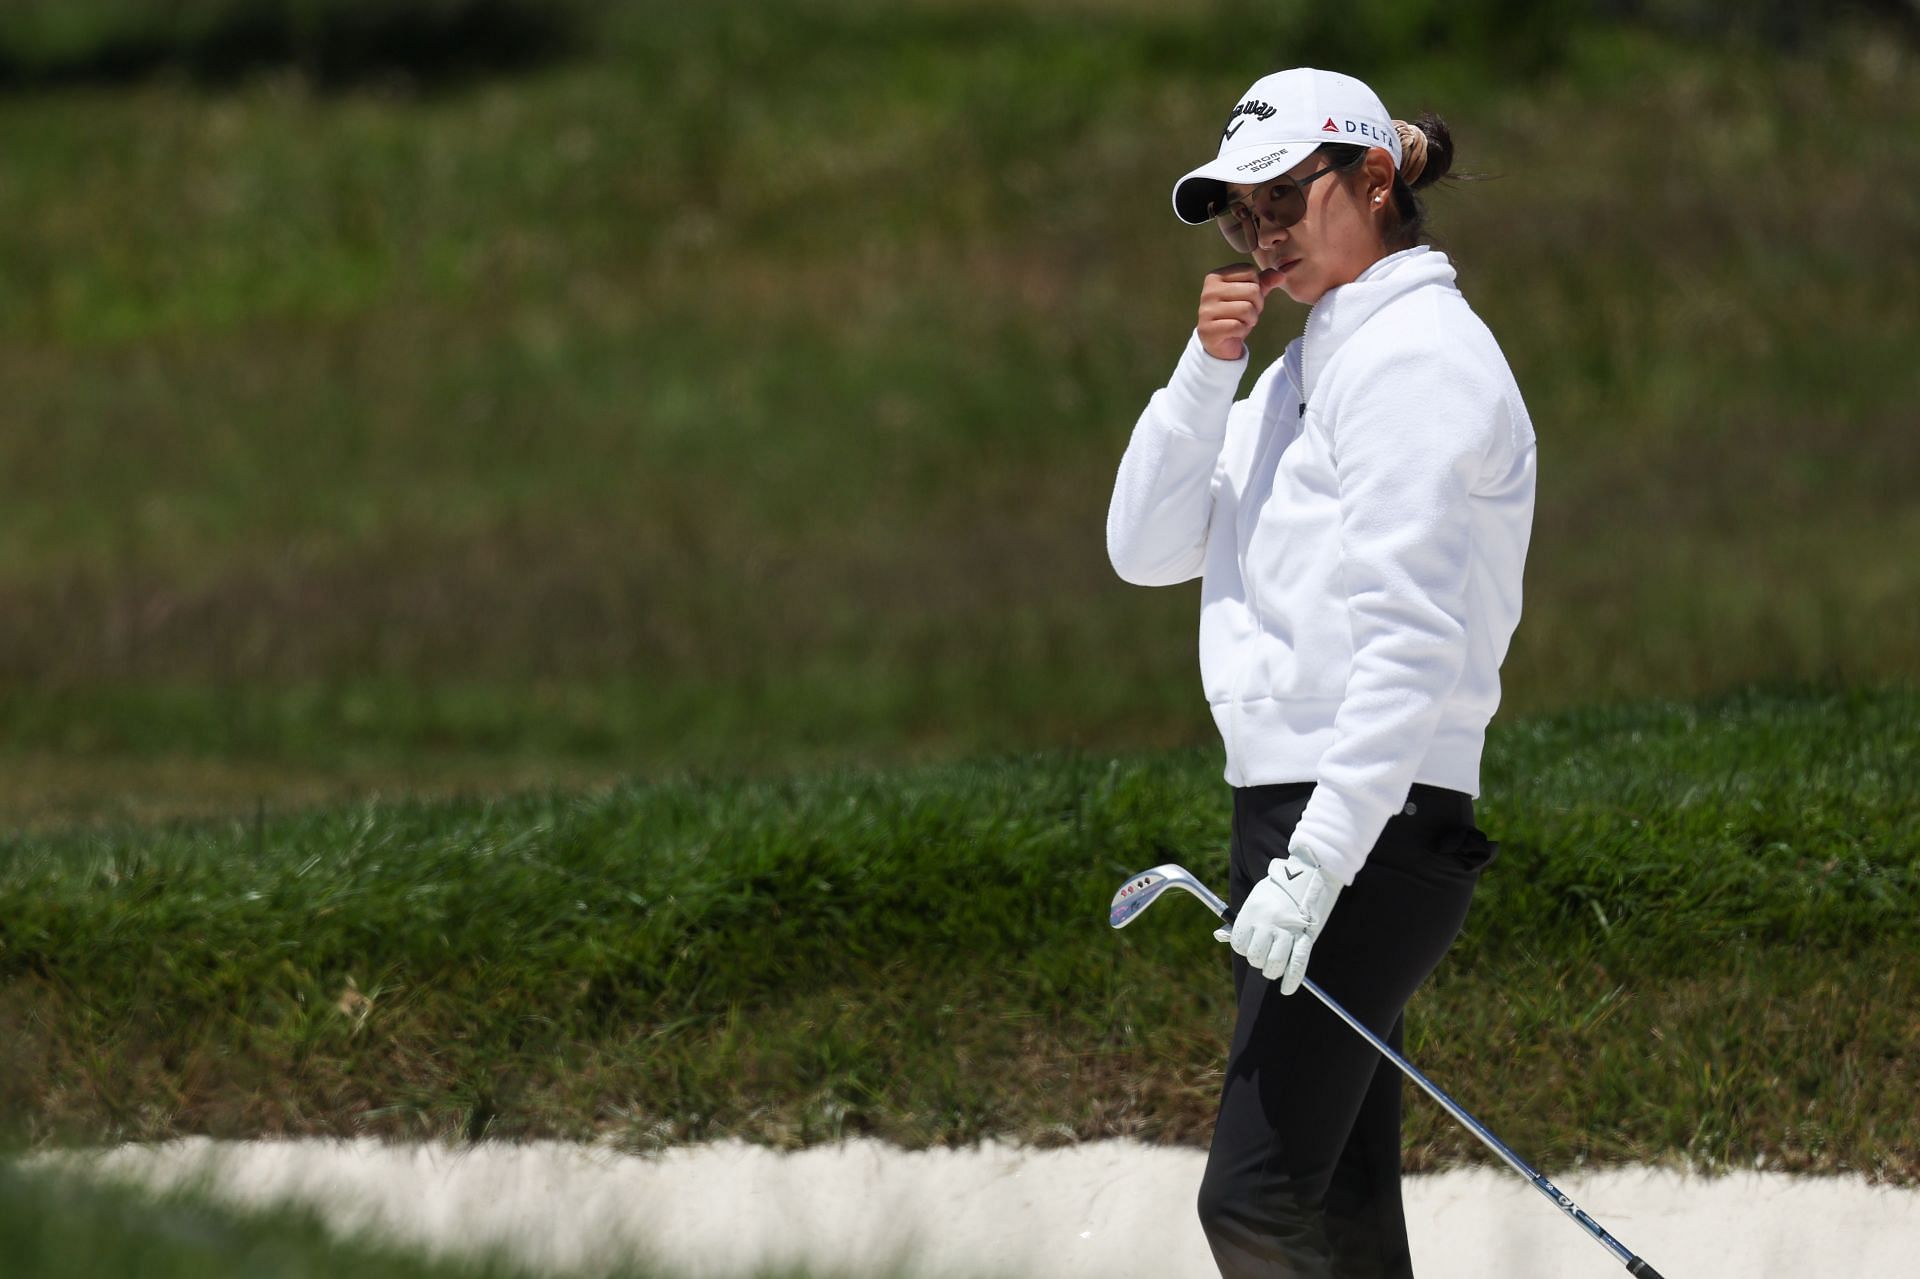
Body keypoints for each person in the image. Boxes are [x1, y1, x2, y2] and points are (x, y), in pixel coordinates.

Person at [1104, 67, 1537, 1278]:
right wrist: (1207, 373)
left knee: (1255, 1203)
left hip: (1366, 823)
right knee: (1337, 1211)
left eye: (1285, 198)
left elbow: (1412, 644)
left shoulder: (1417, 361)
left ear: (1376, 179)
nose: (1263, 234)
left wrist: (1319, 859)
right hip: (1302, 816)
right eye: (1242, 214)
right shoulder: (1305, 366)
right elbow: (1143, 547)